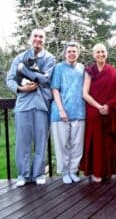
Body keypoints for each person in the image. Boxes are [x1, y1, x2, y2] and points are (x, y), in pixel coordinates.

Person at [6, 28, 56, 187]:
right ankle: (23, 175)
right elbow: (10, 79)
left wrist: (25, 72)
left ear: (44, 39)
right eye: (35, 36)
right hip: (23, 106)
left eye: (41, 36)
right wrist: (21, 88)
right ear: (30, 38)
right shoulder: (19, 57)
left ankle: (39, 173)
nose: (38, 39)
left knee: (41, 141)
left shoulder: (50, 58)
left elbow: (45, 79)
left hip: (42, 105)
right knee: (23, 142)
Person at [80, 43, 116, 182]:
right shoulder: (89, 70)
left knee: (108, 142)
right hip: (94, 110)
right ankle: (97, 172)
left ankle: (108, 170)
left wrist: (108, 106)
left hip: (109, 111)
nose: (100, 54)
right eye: (97, 52)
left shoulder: (113, 71)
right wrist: (99, 107)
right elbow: (85, 93)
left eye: (103, 52)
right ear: (93, 55)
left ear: (107, 53)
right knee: (96, 142)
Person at [50, 42, 86, 184]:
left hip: (80, 112)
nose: (72, 53)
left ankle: (73, 170)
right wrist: (61, 110)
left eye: (74, 51)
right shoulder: (58, 68)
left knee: (77, 144)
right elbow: (55, 89)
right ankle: (65, 172)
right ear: (65, 53)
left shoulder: (82, 68)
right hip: (60, 114)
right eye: (69, 51)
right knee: (62, 144)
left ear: (78, 53)